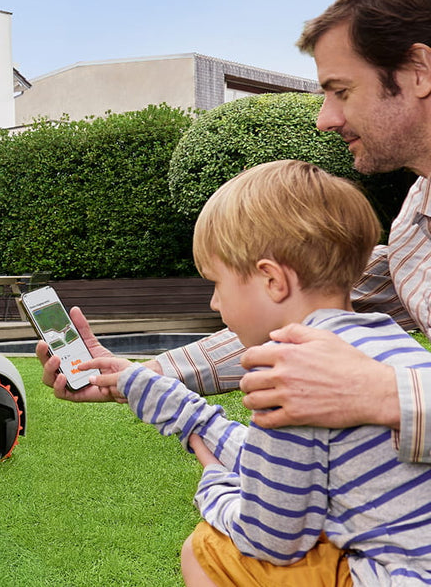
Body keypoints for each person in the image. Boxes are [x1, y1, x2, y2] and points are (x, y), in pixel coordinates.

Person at [39, 0, 431, 465]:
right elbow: (306, 298)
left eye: (342, 90)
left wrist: (383, 393)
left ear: (419, 71)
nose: (324, 119)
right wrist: (135, 376)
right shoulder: (414, 223)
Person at [88, 160, 431, 586]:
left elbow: (269, 539)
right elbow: (276, 460)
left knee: (207, 551)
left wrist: (216, 489)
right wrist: (153, 392)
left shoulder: (294, 374)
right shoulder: (389, 343)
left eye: (217, 284)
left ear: (272, 280)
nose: (215, 303)